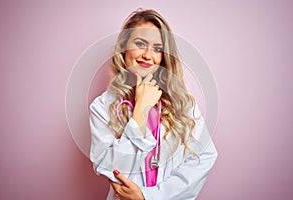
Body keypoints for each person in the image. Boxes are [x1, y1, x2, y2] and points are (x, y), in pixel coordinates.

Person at [89, 9, 218, 200]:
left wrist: (147, 197)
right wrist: (140, 109)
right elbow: (110, 169)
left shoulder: (182, 103)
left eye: (158, 48)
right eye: (140, 44)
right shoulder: (101, 107)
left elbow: (204, 157)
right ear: (124, 47)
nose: (148, 55)